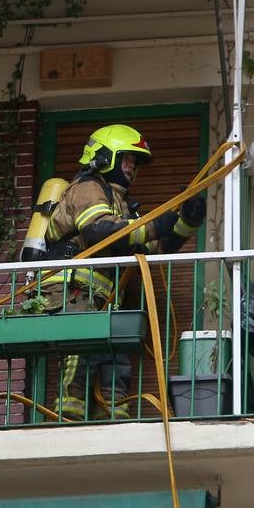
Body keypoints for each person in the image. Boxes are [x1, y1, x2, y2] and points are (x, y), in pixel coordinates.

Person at [41, 124, 207, 419]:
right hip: (73, 288)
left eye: (135, 161)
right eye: (127, 158)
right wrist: (156, 224)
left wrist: (187, 221)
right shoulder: (87, 188)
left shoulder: (121, 207)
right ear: (105, 158)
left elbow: (156, 248)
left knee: (116, 358)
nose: (132, 166)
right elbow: (99, 231)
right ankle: (67, 420)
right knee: (79, 354)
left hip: (106, 296)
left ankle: (115, 416)